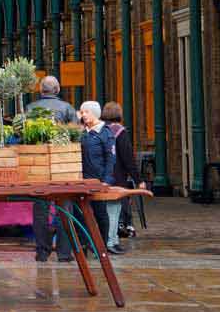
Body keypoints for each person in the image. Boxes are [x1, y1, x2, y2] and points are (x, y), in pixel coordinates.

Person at [25, 76, 77, 262]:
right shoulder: (68, 108)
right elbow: (76, 137)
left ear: (41, 90)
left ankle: (42, 251)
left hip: (38, 167)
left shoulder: (31, 109)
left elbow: (25, 138)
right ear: (57, 89)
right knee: (64, 209)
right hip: (63, 166)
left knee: (40, 210)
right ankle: (64, 253)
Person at [101, 101, 144, 255]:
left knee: (109, 210)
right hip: (117, 177)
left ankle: (112, 240)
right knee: (114, 210)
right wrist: (138, 180)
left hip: (103, 176)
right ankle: (111, 241)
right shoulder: (120, 132)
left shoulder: (101, 130)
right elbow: (128, 158)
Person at [79, 100, 118, 254]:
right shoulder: (82, 133)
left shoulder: (105, 133)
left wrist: (106, 180)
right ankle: (84, 243)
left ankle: (101, 245)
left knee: (100, 213)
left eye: (85, 112)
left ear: (94, 113)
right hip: (82, 181)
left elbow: (111, 158)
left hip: (98, 180)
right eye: (81, 112)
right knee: (81, 214)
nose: (83, 116)